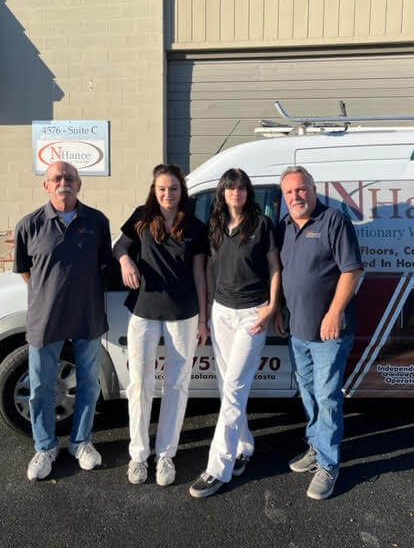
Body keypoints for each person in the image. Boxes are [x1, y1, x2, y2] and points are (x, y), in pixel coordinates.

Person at [13, 160, 112, 481]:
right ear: (46, 185)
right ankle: (45, 447)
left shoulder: (97, 222)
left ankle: (81, 442)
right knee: (40, 386)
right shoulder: (29, 225)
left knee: (88, 383)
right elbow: (27, 272)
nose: (63, 182)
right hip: (46, 319)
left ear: (79, 184)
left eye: (70, 177)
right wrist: (50, 294)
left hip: (88, 316)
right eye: (57, 177)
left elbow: (103, 265)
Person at [114, 164, 208, 486]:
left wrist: (203, 318)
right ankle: (139, 455)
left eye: (174, 189)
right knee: (139, 384)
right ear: (154, 191)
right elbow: (119, 246)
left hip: (183, 314)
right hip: (144, 312)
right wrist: (126, 260)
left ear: (183, 191)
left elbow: (200, 274)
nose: (168, 194)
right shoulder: (142, 217)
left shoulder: (195, 227)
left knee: (177, 386)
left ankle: (166, 454)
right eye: (162, 189)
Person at [189, 168, 281, 498]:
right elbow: (211, 269)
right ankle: (244, 445)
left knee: (233, 389)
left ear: (248, 193)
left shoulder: (261, 224)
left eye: (241, 189)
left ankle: (218, 467)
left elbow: (274, 267)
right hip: (222, 313)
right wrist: (211, 307)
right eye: (230, 189)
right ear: (223, 193)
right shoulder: (216, 226)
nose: (236, 194)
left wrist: (272, 307)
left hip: (251, 316)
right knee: (225, 383)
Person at [276, 165, 362, 500]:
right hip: (298, 329)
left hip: (329, 332)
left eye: (301, 189)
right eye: (289, 192)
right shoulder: (283, 227)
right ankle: (315, 446)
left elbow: (352, 271)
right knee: (309, 393)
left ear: (313, 189)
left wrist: (334, 313)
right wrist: (282, 313)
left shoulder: (334, 221)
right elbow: (285, 275)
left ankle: (329, 464)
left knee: (327, 397)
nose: (296, 196)